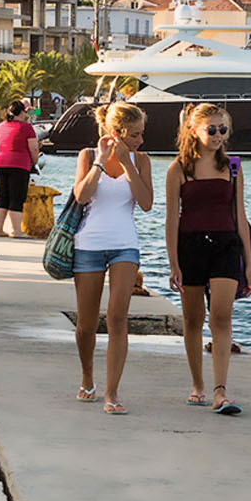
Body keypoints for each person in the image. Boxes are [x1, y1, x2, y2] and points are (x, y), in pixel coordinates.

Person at [165, 102, 251, 416]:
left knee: (221, 316)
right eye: (212, 129)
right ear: (194, 131)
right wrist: (173, 263)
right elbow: (171, 220)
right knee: (193, 320)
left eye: (223, 129)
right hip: (190, 246)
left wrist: (248, 264)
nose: (218, 135)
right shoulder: (179, 168)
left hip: (226, 246)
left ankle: (221, 391)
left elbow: (240, 216)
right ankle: (197, 385)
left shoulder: (233, 167)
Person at [69, 102, 153, 414]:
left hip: (124, 245)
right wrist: (101, 161)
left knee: (118, 317)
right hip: (88, 245)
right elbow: (82, 196)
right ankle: (87, 377)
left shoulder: (141, 159)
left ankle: (112, 393)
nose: (140, 140)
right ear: (116, 132)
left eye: (141, 134)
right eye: (135, 135)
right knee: (86, 324)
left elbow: (146, 203)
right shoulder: (88, 155)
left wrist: (128, 162)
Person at [0, 99, 41, 238]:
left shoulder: (2, 125)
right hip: (19, 164)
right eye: (25, 111)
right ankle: (17, 231)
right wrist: (34, 162)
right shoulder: (26, 127)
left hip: (0, 162)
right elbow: (33, 148)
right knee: (17, 197)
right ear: (22, 112)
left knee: (3, 196)